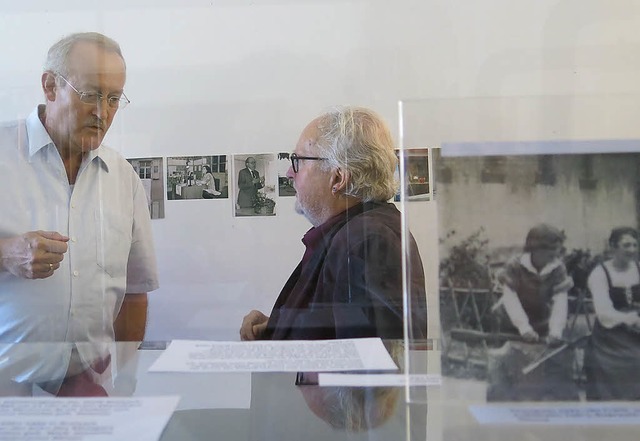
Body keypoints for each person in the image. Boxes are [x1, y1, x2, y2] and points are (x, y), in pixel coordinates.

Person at [0, 32, 158, 396]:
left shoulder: (123, 179)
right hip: (6, 391)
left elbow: (134, 292)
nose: (103, 112)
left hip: (91, 392)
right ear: (51, 86)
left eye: (114, 98)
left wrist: (128, 380)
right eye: (90, 94)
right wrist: (5, 253)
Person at [240, 106, 427, 341]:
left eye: (298, 161)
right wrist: (277, 326)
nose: (289, 173)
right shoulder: (355, 233)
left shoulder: (368, 241)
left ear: (338, 178)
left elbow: (371, 364)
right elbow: (336, 327)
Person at [487, 223, 578, 401]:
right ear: (535, 249)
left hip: (543, 323)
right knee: (510, 370)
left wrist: (555, 331)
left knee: (550, 369)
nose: (556, 255)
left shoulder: (557, 268)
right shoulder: (515, 266)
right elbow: (510, 299)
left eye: (558, 251)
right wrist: (524, 328)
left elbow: (560, 301)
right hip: (513, 325)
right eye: (551, 251)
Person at [584, 227, 640, 400]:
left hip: (637, 330)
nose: (632, 250)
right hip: (611, 336)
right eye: (626, 245)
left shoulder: (638, 268)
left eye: (635, 245)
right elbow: (604, 313)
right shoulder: (599, 274)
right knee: (635, 361)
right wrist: (633, 319)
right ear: (613, 247)